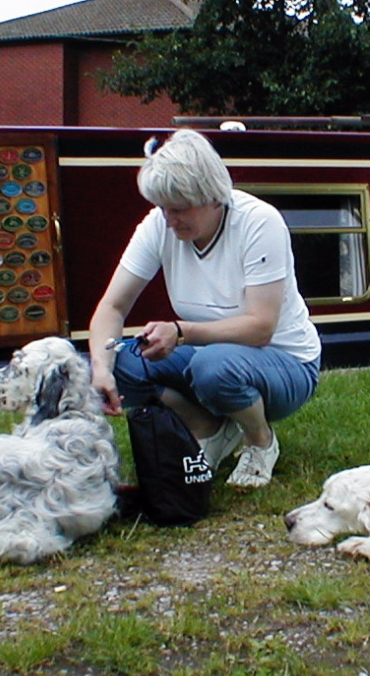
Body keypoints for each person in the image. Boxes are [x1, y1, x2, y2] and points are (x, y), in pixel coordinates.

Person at [88, 129, 321, 487]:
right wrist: (101, 370)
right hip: (210, 354)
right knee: (124, 365)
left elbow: (261, 327)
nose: (168, 220)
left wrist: (181, 332)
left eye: (179, 208)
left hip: (286, 362)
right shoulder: (159, 225)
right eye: (162, 207)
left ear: (213, 197)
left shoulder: (260, 222)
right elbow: (112, 306)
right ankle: (209, 428)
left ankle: (260, 441)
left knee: (212, 366)